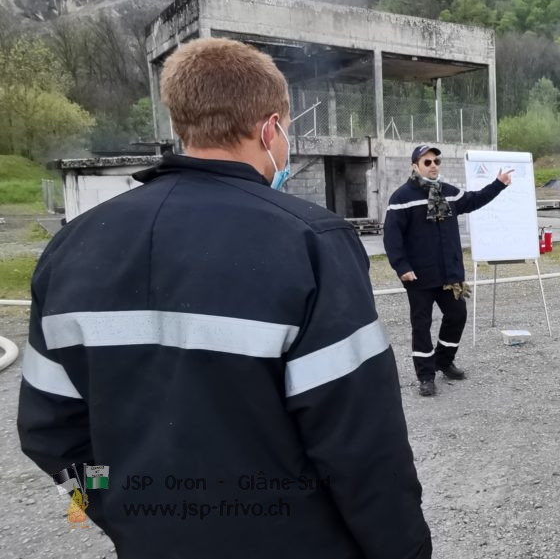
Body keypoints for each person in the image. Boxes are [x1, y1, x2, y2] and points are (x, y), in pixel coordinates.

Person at [17, 37, 432, 558]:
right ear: (270, 127)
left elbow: (49, 432)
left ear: (179, 124)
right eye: (284, 129)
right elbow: (361, 443)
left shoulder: (71, 245)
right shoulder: (310, 241)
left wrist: (115, 504)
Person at [383, 145, 511, 397]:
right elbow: (392, 236)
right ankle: (426, 376)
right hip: (418, 277)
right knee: (421, 325)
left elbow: (474, 200)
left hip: (449, 275)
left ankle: (443, 360)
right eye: (427, 161)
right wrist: (401, 266)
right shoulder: (402, 197)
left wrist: (498, 184)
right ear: (415, 166)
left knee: (457, 315)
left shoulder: (448, 193)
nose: (433, 166)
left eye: (436, 161)